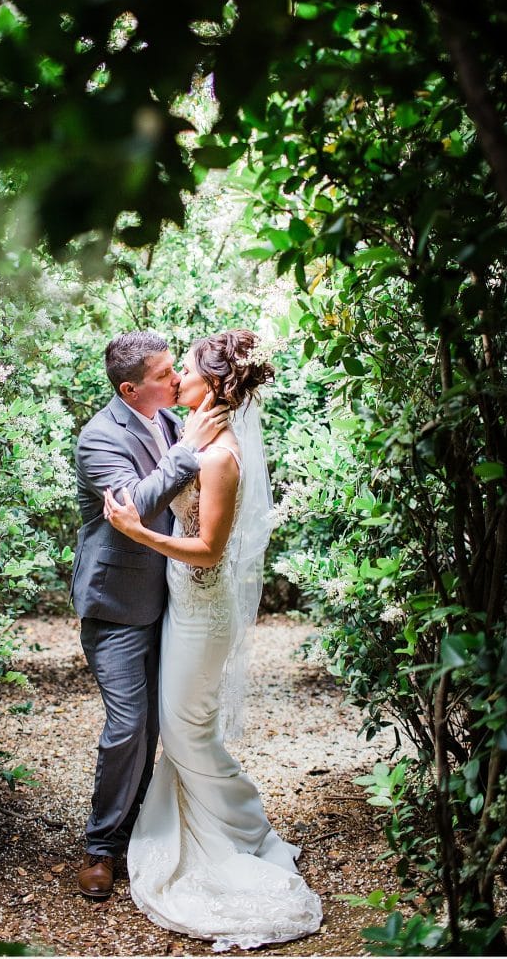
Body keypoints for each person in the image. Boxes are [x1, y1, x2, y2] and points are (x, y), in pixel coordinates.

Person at [103, 329, 323, 950]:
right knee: (185, 727)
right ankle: (220, 827)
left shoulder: (219, 454)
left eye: (187, 371)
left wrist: (136, 531)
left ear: (214, 384)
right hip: (183, 604)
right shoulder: (192, 431)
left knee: (185, 730)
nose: (176, 381)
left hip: (202, 608)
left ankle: (246, 833)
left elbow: (207, 551)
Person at [70, 330, 229, 900]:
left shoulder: (168, 418)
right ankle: (101, 848)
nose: (177, 379)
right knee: (128, 725)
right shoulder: (97, 439)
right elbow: (129, 509)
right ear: (130, 388)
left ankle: (141, 825)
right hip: (116, 606)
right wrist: (188, 453)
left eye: (174, 368)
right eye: (165, 375)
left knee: (161, 724)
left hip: (176, 596)